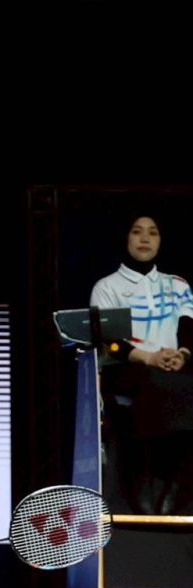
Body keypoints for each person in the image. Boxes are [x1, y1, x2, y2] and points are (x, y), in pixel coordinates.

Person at [90, 214, 193, 515]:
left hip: (173, 369)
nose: (145, 238)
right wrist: (149, 357)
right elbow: (109, 342)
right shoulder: (107, 287)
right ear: (126, 238)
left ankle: (178, 491)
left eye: (153, 232)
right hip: (126, 370)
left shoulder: (178, 284)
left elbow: (189, 327)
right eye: (137, 232)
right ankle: (149, 491)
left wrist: (182, 354)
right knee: (155, 385)